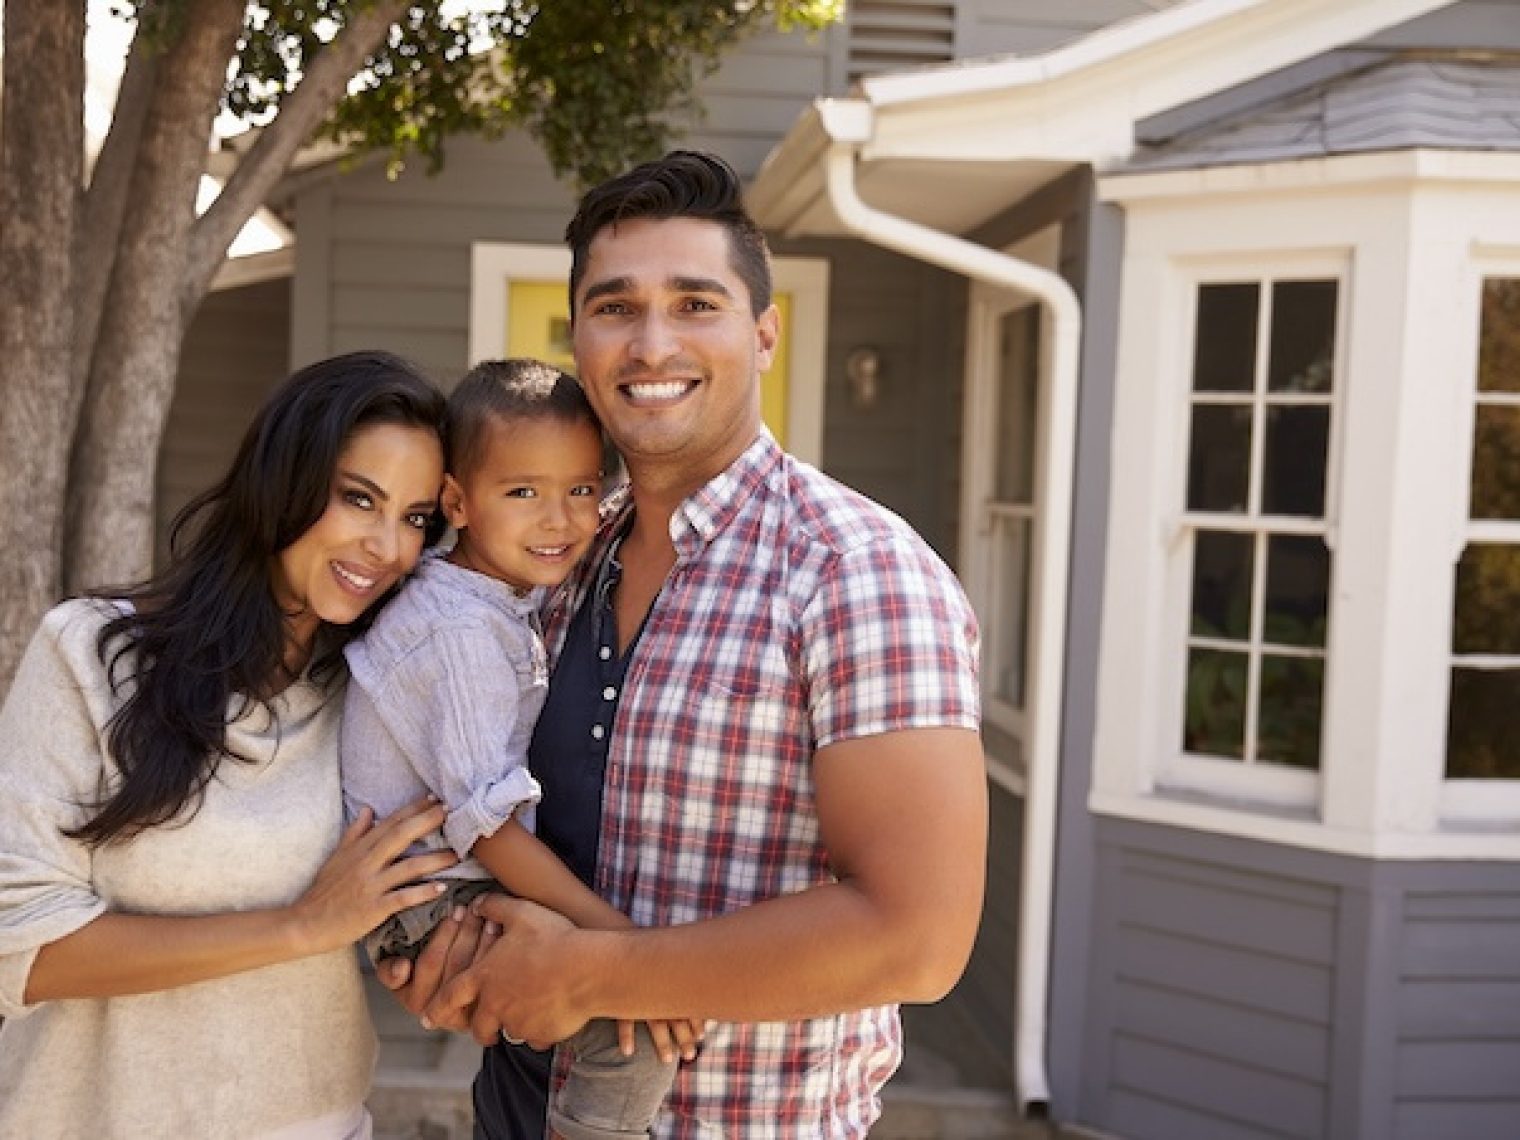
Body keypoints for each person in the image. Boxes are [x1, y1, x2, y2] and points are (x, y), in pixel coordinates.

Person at [389, 150, 989, 1138]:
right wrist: (444, 962)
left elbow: (915, 937)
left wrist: (592, 975)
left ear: (762, 335)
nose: (650, 342)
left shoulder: (855, 573)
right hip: (512, 1107)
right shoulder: (557, 554)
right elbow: (450, 774)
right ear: (577, 338)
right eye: (615, 306)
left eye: (694, 303)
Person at [0, 350, 460, 1139]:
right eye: (359, 498)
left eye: (416, 518)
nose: (388, 546)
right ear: (284, 477)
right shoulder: (89, 656)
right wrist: (303, 926)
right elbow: (19, 947)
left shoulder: (373, 697)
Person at [340, 359, 690, 1140]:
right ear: (459, 502)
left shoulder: (501, 593)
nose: (560, 520)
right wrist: (620, 948)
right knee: (625, 1027)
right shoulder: (458, 632)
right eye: (523, 492)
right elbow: (489, 825)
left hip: (453, 876)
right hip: (427, 900)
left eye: (581, 490)